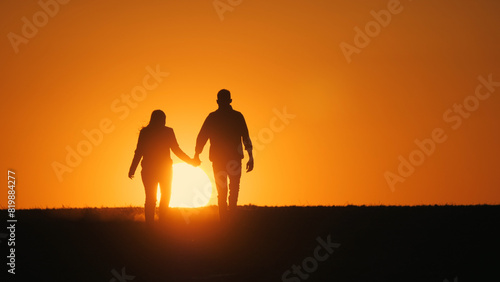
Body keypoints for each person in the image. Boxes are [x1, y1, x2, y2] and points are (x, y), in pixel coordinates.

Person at [128, 110, 199, 226]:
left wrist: (190, 161)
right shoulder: (163, 132)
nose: (164, 121)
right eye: (163, 119)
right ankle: (156, 224)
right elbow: (140, 151)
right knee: (157, 197)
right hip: (158, 170)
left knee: (158, 197)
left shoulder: (147, 132)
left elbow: (139, 152)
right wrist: (132, 168)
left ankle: (156, 224)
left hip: (154, 169)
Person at [194, 89, 254, 223]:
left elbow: (202, 136)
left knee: (225, 190)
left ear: (217, 101)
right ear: (230, 101)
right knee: (232, 189)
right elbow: (246, 137)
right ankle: (229, 219)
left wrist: (197, 153)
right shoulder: (237, 116)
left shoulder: (213, 117)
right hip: (232, 158)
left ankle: (225, 220)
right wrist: (250, 156)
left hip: (221, 158)